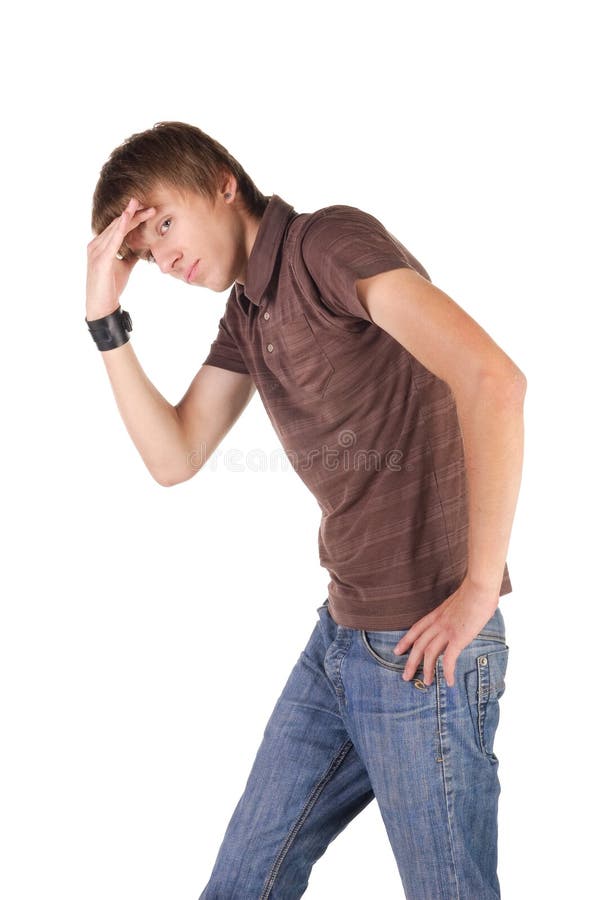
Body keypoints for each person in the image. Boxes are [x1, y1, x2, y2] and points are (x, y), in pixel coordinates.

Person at [86, 121, 526, 899]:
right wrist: (104, 323)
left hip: (424, 647)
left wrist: (478, 590)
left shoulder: (326, 245)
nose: (165, 256)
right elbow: (174, 457)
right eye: (146, 253)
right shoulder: (248, 314)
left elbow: (492, 380)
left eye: (162, 222)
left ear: (223, 182)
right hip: (341, 639)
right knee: (242, 885)